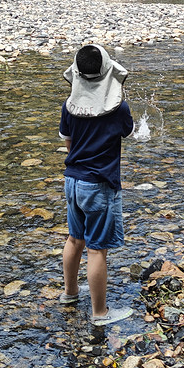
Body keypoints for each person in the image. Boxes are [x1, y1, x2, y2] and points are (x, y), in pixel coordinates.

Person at [58, 44, 134, 326]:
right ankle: (100, 313)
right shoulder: (118, 108)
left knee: (74, 239)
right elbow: (128, 131)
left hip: (72, 180)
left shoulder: (69, 106)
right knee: (96, 249)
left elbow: (68, 143)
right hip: (99, 184)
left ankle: (69, 293)